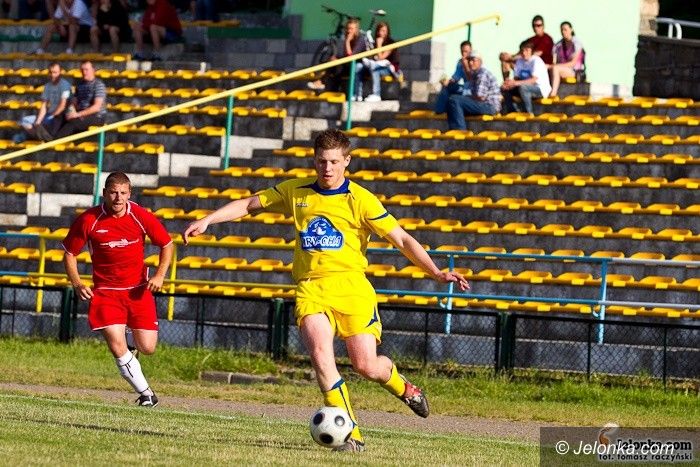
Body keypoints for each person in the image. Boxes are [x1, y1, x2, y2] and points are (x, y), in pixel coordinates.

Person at [183, 129, 470, 452]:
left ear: (347, 161)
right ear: (314, 160)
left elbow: (401, 238)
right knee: (321, 355)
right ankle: (351, 435)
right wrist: (208, 220)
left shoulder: (360, 199)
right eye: (322, 161)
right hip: (311, 288)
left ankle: (403, 387)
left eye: (334, 161)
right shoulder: (297, 191)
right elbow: (250, 204)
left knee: (366, 365)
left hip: (352, 288)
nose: (327, 168)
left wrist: (435, 272)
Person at [63, 172, 174, 407]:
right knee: (116, 345)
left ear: (129, 194)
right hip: (106, 293)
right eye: (113, 192)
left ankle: (132, 346)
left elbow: (167, 244)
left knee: (148, 347)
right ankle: (147, 395)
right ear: (104, 193)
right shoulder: (89, 219)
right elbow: (70, 253)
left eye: (123, 193)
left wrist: (159, 275)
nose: (118, 198)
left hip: (137, 291)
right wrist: (77, 283)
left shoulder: (140, 216)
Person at [37, 60, 107, 141]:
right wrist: (71, 111)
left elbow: (96, 107)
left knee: (74, 121)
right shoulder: (80, 85)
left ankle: (55, 141)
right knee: (61, 115)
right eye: (82, 70)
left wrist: (78, 114)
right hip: (81, 113)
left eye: (86, 70)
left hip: (97, 116)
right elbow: (74, 102)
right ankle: (47, 135)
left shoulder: (98, 85)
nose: (84, 72)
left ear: (93, 70)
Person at [307, 18, 370, 100]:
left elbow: (351, 56)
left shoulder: (360, 39)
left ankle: (323, 82)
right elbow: (344, 56)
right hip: (348, 65)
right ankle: (329, 88)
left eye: (351, 29)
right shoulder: (348, 38)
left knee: (339, 66)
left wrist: (347, 41)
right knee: (334, 64)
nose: (349, 31)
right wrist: (336, 58)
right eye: (348, 28)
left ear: (356, 30)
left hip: (359, 66)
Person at [12, 62, 71, 144]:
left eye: (55, 72)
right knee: (25, 121)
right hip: (48, 115)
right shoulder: (47, 86)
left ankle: (31, 136)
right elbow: (44, 106)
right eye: (50, 72)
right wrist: (38, 121)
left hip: (58, 117)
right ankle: (38, 136)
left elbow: (62, 105)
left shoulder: (65, 85)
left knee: (32, 127)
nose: (52, 75)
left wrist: (51, 116)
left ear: (60, 72)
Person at [446, 50, 501, 130]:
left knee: (454, 100)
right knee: (452, 103)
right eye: (469, 61)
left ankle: (460, 131)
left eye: (473, 60)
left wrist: (466, 98)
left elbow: (480, 97)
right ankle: (454, 130)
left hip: (489, 106)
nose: (470, 63)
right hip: (483, 104)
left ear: (480, 62)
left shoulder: (482, 74)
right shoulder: (475, 74)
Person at [501, 40, 551, 114]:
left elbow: (534, 80)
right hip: (525, 87)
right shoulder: (519, 61)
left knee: (523, 88)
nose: (524, 53)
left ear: (531, 51)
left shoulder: (536, 61)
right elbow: (516, 78)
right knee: (505, 88)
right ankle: (512, 111)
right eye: (522, 51)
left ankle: (528, 113)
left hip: (540, 89)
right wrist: (509, 83)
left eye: (527, 50)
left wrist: (516, 83)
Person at [499, 14, 554, 80]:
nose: (536, 28)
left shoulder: (547, 39)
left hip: (540, 68)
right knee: (505, 62)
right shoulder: (531, 40)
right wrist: (507, 56)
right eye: (534, 26)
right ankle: (507, 83)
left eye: (538, 25)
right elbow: (520, 52)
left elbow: (535, 54)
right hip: (528, 66)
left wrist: (511, 58)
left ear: (543, 26)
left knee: (510, 61)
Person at [357, 21, 401, 102]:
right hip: (374, 65)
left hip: (389, 69)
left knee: (375, 69)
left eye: (384, 31)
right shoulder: (374, 42)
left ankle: (376, 94)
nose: (381, 33)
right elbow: (372, 57)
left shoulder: (391, 43)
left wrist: (379, 44)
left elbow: (381, 57)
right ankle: (357, 94)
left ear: (387, 32)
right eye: (380, 30)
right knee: (359, 67)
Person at [434, 40, 472, 114]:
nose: (464, 54)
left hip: (472, 90)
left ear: (471, 50)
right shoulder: (460, 62)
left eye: (466, 51)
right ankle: (440, 111)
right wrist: (447, 81)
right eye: (462, 52)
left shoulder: (474, 61)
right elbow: (456, 77)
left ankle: (441, 111)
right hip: (464, 87)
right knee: (447, 87)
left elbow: (472, 79)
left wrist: (466, 66)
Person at [549, 21, 586, 97]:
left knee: (555, 68)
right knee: (550, 68)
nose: (563, 32)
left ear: (571, 30)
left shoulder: (577, 43)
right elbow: (554, 61)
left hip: (576, 72)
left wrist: (555, 66)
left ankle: (553, 93)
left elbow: (573, 63)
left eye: (565, 29)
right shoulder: (558, 45)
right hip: (563, 69)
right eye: (562, 30)